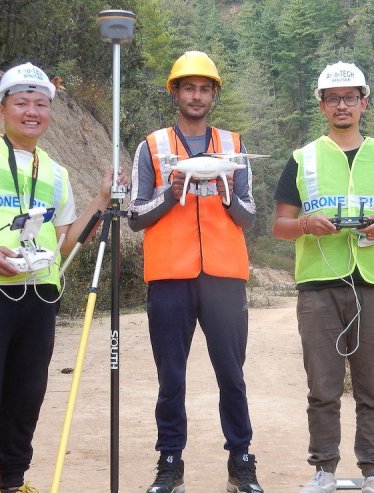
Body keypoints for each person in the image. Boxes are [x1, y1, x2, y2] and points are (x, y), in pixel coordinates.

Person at [0, 62, 122, 493]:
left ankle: (13, 482)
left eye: (40, 103)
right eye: (21, 103)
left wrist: (102, 197)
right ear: (2, 108)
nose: (31, 111)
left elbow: (66, 242)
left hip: (37, 294)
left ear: (49, 112)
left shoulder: (55, 172)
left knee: (26, 394)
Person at [272, 62, 374, 493]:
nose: (342, 105)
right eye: (334, 98)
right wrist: (306, 224)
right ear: (322, 105)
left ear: (364, 103)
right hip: (319, 284)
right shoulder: (303, 158)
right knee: (323, 385)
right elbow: (280, 225)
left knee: (373, 384)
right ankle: (324, 470)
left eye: (350, 97)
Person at [127, 51, 263, 493]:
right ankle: (170, 462)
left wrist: (226, 194)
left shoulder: (234, 145)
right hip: (169, 275)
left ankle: (241, 461)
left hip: (224, 274)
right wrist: (171, 193)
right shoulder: (153, 146)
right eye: (189, 87)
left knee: (231, 373)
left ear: (214, 95)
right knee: (171, 374)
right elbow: (135, 214)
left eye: (205, 88)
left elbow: (249, 216)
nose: (197, 95)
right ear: (175, 93)